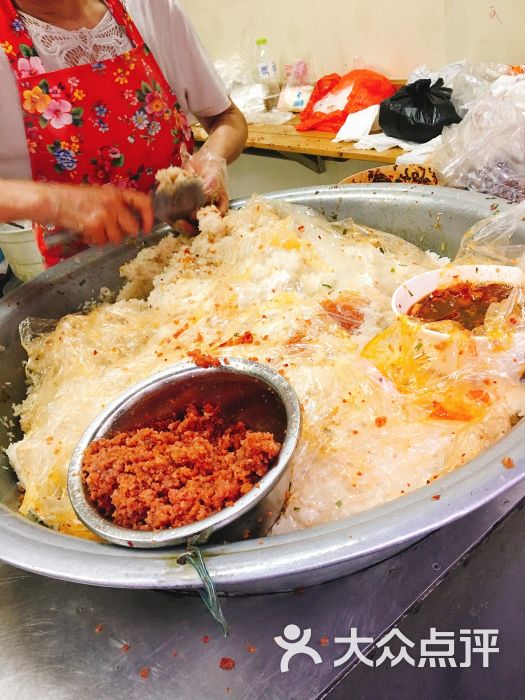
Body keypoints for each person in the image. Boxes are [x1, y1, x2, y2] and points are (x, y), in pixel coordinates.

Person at [0, 0, 247, 266]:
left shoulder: (150, 9)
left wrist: (212, 157)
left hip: (197, 259)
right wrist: (55, 202)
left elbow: (228, 118)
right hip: (83, 284)